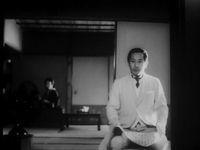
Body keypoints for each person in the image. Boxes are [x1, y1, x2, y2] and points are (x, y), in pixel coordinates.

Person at [98, 48, 170, 150]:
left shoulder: (155, 82)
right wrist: (116, 123)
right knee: (115, 144)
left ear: (146, 63)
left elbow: (162, 107)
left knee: (162, 145)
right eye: (133, 61)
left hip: (149, 130)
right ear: (128, 63)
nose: (136, 65)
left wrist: (160, 125)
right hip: (126, 130)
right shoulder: (119, 83)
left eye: (140, 61)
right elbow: (111, 107)